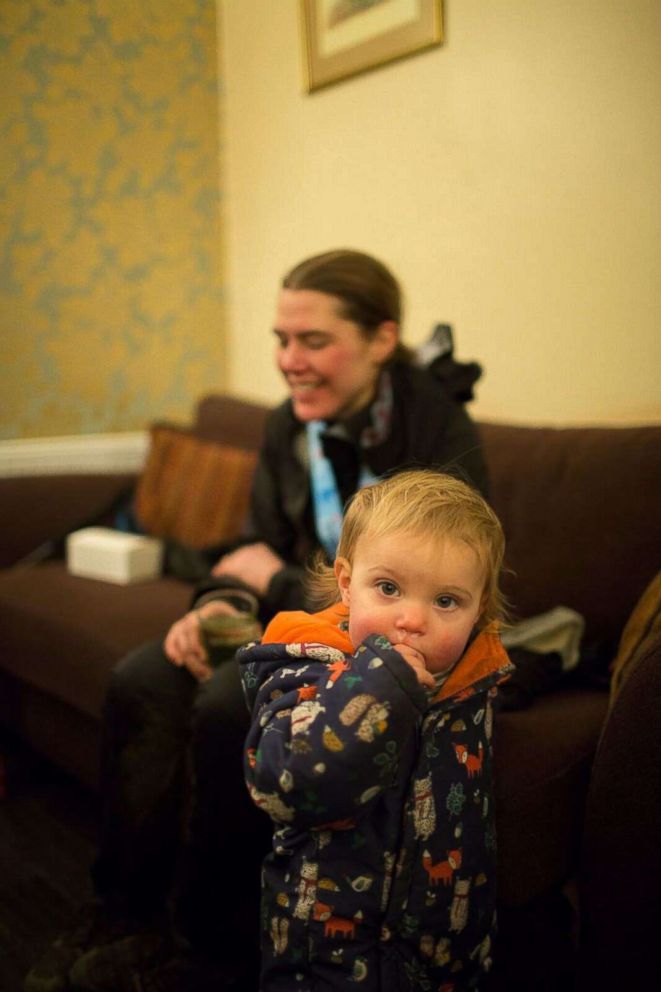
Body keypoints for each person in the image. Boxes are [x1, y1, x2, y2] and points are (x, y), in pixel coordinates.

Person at [25, 250, 489, 992]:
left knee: (222, 703)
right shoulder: (286, 427)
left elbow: (445, 587)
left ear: (379, 340)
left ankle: (208, 944)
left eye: (312, 342)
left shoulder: (436, 430)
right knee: (143, 675)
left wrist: (266, 579)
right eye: (280, 340)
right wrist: (216, 604)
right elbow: (250, 546)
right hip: (295, 624)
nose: (288, 362)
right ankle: (123, 912)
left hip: (387, 644)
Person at [240, 469, 513, 990]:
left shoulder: (473, 683)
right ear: (346, 581)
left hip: (440, 958)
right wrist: (379, 685)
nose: (412, 619)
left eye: (446, 601)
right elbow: (282, 783)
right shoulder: (306, 667)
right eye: (388, 588)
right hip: (323, 960)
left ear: (479, 610)